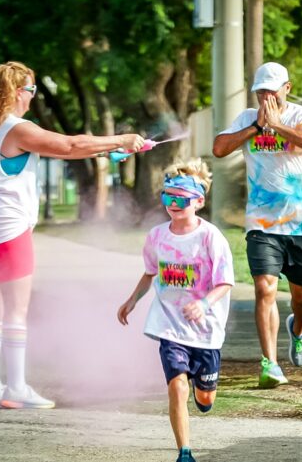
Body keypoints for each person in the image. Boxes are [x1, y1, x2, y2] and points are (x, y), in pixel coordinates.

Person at [0, 61, 146, 409]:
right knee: (17, 309)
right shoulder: (17, 128)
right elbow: (69, 146)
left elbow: (71, 147)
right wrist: (122, 138)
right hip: (10, 227)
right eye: (31, 91)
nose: (33, 98)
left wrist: (109, 149)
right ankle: (16, 387)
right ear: (16, 92)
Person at [212, 62, 302, 388]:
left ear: (287, 88)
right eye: (261, 91)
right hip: (261, 221)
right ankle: (270, 363)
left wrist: (277, 125)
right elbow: (219, 149)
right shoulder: (247, 118)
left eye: (272, 90)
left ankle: (298, 329)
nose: (266, 96)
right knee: (265, 289)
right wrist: (257, 128)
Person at [117, 159, 234, 462]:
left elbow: (225, 283)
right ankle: (185, 451)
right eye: (168, 197)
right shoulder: (157, 236)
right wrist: (132, 300)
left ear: (199, 202)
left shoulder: (211, 238)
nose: (173, 204)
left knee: (205, 397)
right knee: (177, 387)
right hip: (170, 324)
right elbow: (150, 272)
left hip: (206, 331)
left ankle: (204, 391)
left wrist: (204, 303)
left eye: (180, 199)